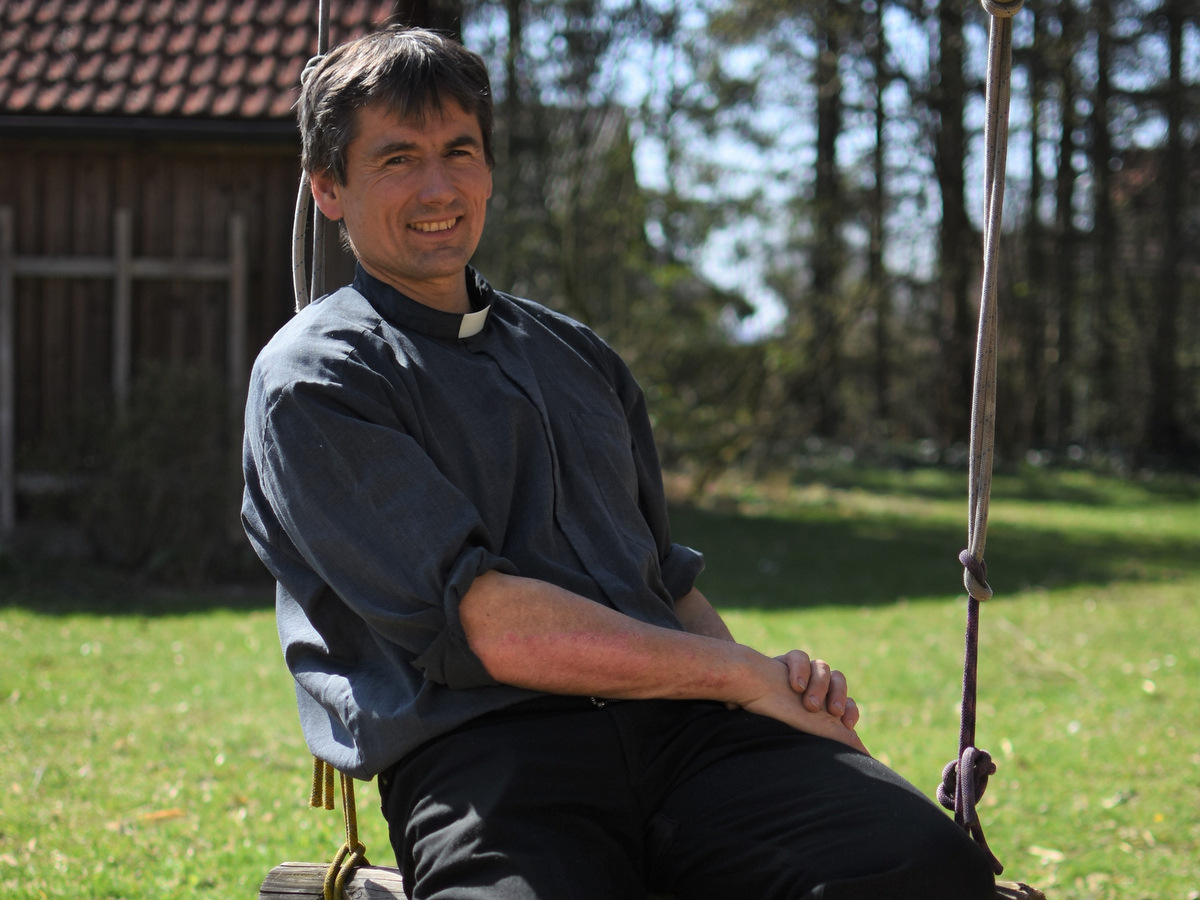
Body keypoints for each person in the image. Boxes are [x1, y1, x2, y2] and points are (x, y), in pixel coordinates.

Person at [242, 25, 996, 900]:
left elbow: (663, 583)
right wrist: (739, 674)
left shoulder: (577, 356)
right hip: (491, 759)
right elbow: (489, 625)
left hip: (691, 739)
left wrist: (776, 700)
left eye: (460, 151)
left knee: (925, 868)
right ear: (329, 187)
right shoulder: (318, 378)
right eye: (398, 159)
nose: (439, 187)